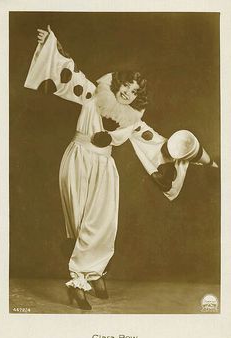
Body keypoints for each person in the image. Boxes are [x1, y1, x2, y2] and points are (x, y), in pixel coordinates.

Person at [24, 26, 217, 310]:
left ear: (138, 95)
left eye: (134, 91)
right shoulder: (92, 94)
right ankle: (80, 279)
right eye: (125, 86)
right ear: (118, 84)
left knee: (102, 223)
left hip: (105, 168)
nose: (128, 92)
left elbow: (161, 144)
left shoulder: (132, 121)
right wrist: (49, 44)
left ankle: (92, 273)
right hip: (78, 160)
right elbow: (68, 72)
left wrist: (199, 157)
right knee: (79, 221)